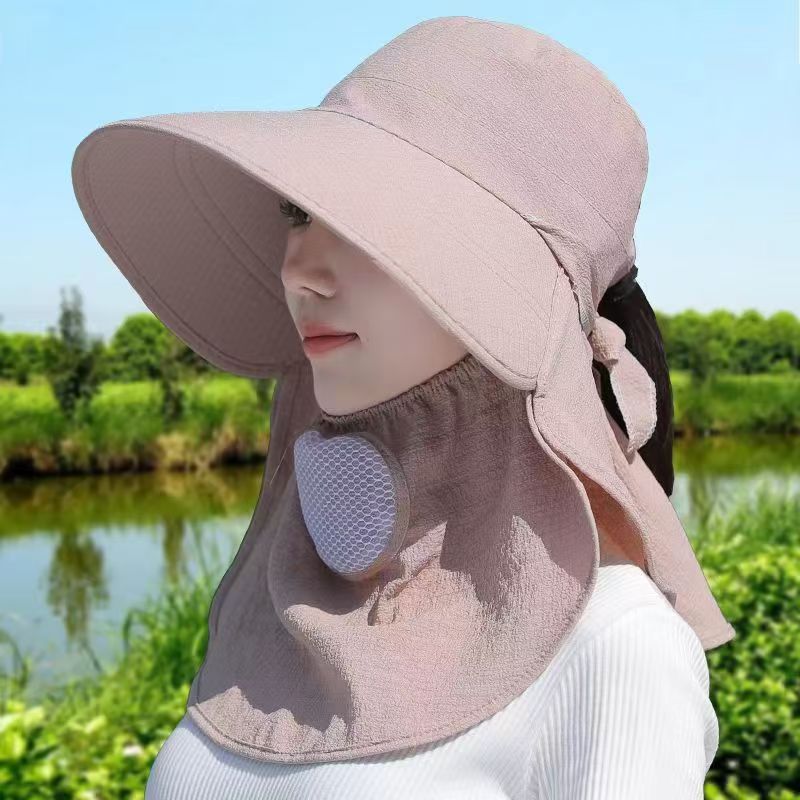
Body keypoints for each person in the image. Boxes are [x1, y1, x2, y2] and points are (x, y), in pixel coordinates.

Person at [71, 16, 735, 798]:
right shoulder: (284, 603)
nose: (299, 272)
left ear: (511, 288)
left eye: (368, 221)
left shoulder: (613, 647)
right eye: (297, 213)